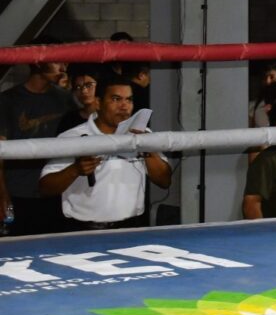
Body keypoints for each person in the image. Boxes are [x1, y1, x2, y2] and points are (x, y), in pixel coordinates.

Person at [40, 74, 172, 230]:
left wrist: (146, 149)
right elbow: (45, 188)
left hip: (132, 228)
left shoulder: (142, 134)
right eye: (116, 99)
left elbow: (164, 181)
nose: (124, 106)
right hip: (84, 230)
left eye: (128, 100)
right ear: (98, 102)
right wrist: (75, 170)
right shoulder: (72, 137)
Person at [0, 58, 75, 235]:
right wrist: (2, 193)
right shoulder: (8, 100)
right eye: (57, 62)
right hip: (19, 190)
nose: (63, 67)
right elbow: (0, 149)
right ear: (39, 63)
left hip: (55, 189)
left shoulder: (66, 99)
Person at [56, 64, 102, 134]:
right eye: (78, 87)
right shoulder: (69, 119)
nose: (84, 91)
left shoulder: (108, 115)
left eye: (89, 85)